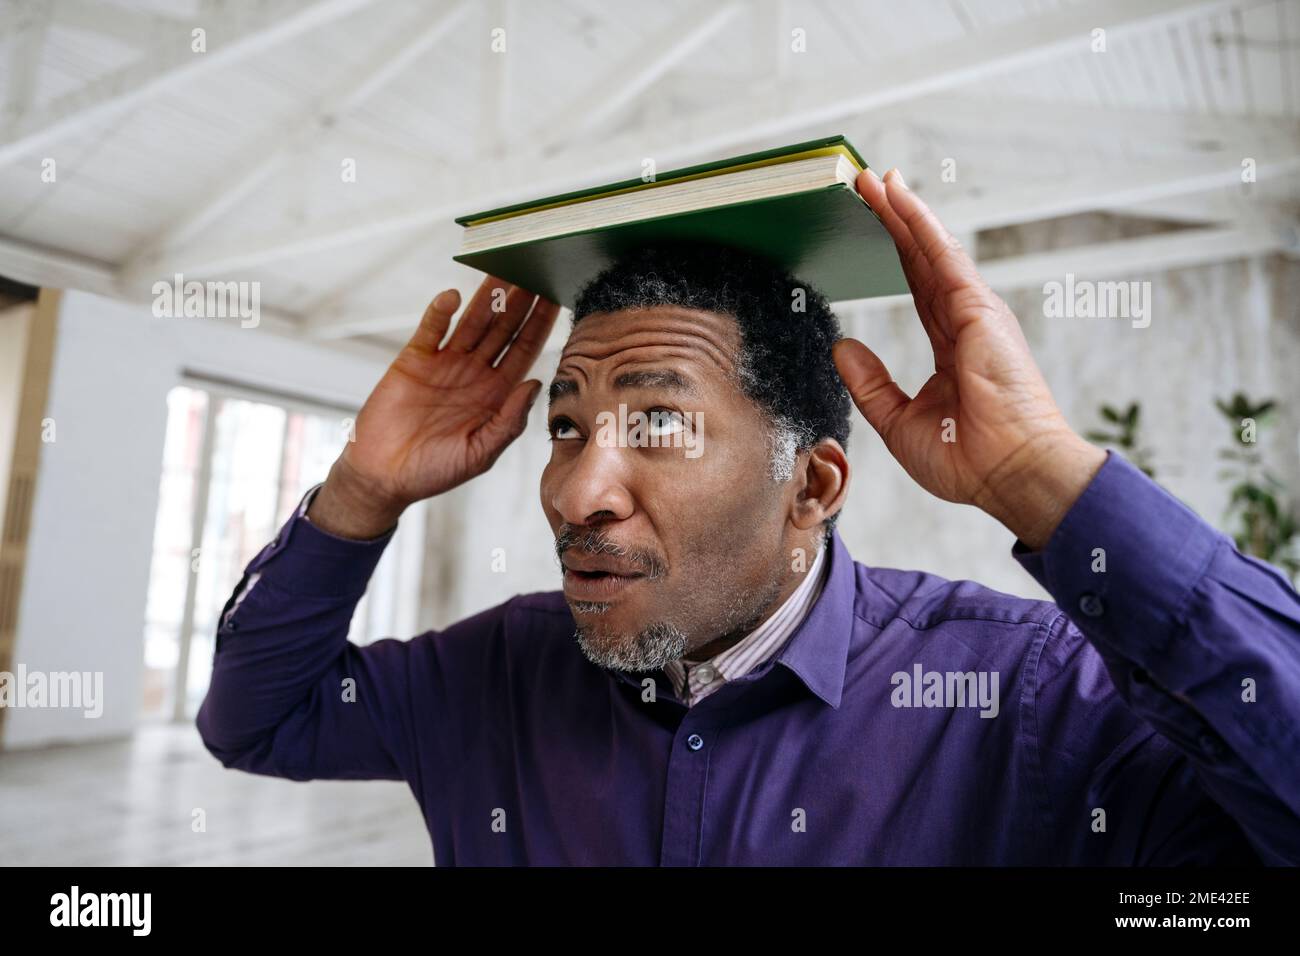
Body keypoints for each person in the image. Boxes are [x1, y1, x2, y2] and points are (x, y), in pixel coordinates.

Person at [196, 167, 1300, 865]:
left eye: (660, 424)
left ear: (812, 487)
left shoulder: (1029, 698)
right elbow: (256, 720)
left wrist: (1048, 479)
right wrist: (361, 489)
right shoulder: (494, 670)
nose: (576, 492)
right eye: (568, 425)